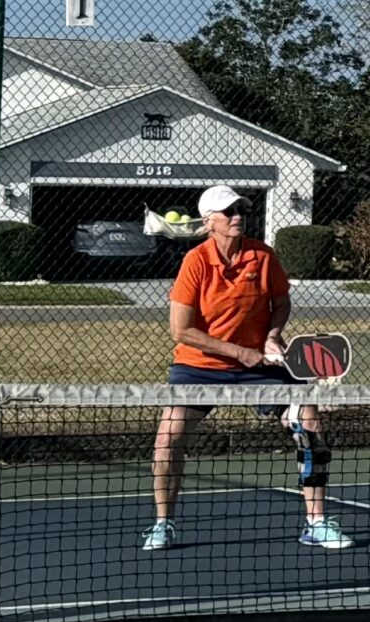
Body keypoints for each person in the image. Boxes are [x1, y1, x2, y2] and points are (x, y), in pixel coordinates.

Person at [147, 185, 350, 551]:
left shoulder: (263, 255)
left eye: (241, 209)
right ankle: (163, 524)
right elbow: (181, 330)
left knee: (310, 427)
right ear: (209, 221)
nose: (238, 216)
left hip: (261, 366)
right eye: (229, 212)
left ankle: (317, 523)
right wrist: (238, 352)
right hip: (199, 366)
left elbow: (281, 304)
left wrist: (272, 336)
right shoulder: (195, 261)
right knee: (167, 440)